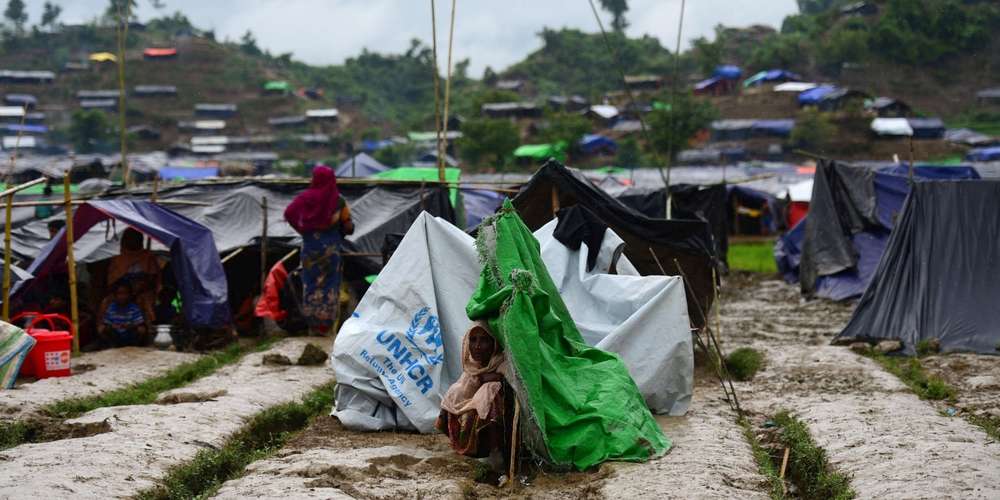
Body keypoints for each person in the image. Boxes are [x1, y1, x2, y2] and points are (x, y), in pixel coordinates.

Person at [283, 166, 354, 334]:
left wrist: (302, 229)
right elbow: (349, 226)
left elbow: (289, 213)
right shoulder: (338, 201)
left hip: (310, 248)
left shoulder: (305, 198)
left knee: (311, 284)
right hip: (331, 250)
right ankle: (326, 327)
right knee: (329, 285)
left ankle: (312, 325)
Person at [437, 322, 513, 469]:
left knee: (489, 392)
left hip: (503, 433)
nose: (477, 346)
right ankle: (473, 452)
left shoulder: (504, 365)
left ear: (495, 343)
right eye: (473, 340)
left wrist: (498, 379)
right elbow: (465, 391)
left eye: (484, 340)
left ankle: (495, 454)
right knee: (455, 392)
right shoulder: (473, 366)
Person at [107, 228, 160, 320]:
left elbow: (153, 278)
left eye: (135, 238)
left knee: (145, 303)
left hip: (143, 290)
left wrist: (138, 289)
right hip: (121, 290)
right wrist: (125, 290)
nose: (133, 241)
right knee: (107, 303)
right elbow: (112, 280)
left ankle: (147, 328)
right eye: (130, 238)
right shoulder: (118, 258)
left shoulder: (148, 256)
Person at [97, 283, 148, 347]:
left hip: (129, 335)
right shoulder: (111, 307)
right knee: (103, 329)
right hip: (115, 335)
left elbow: (139, 324)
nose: (122, 296)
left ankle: (133, 348)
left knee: (141, 330)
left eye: (125, 293)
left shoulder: (134, 308)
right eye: (119, 293)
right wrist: (111, 326)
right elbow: (106, 323)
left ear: (129, 295)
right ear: (115, 295)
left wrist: (130, 326)